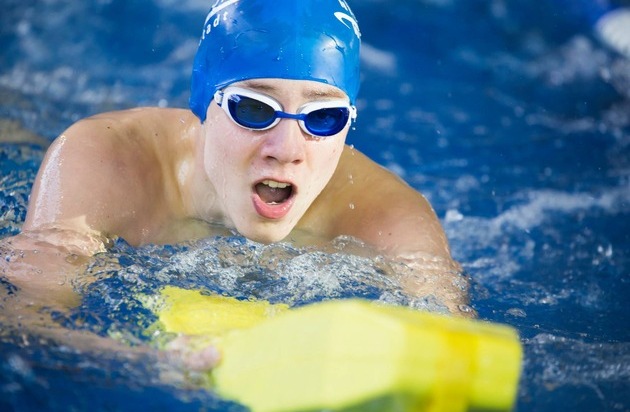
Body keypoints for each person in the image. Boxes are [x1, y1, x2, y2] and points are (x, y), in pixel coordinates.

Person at [1, 0, 468, 321]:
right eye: (254, 109)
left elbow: (454, 349)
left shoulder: (391, 218)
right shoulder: (102, 161)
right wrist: (150, 362)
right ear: (205, 104)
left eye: (323, 117)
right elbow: (32, 320)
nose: (287, 149)